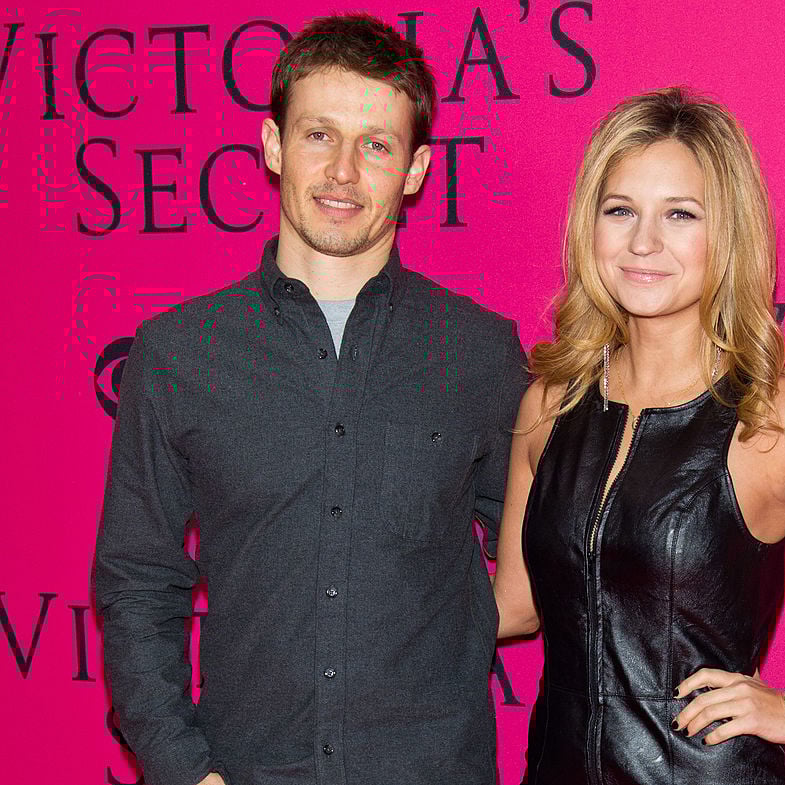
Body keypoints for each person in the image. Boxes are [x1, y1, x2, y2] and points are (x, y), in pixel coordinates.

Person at [492, 88, 785, 784]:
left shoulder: (775, 417)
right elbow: (514, 605)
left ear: (728, 235)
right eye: (620, 210)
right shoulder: (548, 405)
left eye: (680, 214)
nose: (643, 242)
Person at [94, 14, 527, 785]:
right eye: (319, 135)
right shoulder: (177, 353)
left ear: (416, 170)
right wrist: (183, 771)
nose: (343, 172)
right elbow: (136, 583)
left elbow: (560, 560)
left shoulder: (480, 353)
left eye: (376, 145)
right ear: (273, 145)